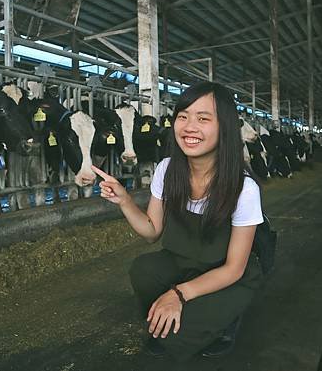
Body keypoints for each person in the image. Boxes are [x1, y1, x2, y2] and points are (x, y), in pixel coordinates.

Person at [91, 82, 264, 362]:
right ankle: (184, 312)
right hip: (183, 266)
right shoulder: (167, 169)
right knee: (143, 269)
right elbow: (151, 232)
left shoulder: (243, 188)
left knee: (173, 343)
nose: (189, 127)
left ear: (225, 127)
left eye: (203, 118)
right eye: (182, 117)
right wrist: (124, 201)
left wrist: (178, 294)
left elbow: (234, 269)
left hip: (225, 277)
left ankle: (227, 319)